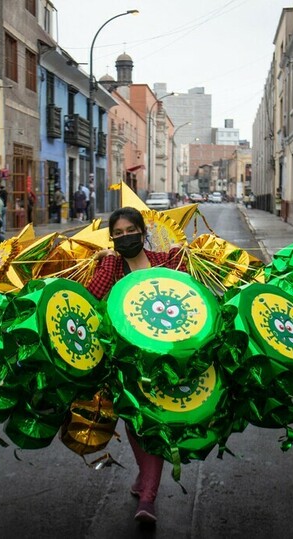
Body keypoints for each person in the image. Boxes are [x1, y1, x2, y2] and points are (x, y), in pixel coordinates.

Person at [86, 207, 187, 525]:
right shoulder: (113, 265)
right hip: (122, 362)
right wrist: (103, 263)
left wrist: (186, 255)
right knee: (132, 421)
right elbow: (91, 297)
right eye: (117, 233)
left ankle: (148, 498)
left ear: (143, 233)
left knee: (153, 421)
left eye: (131, 230)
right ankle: (145, 476)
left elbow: (186, 296)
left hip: (160, 360)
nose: (124, 236)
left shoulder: (165, 261)